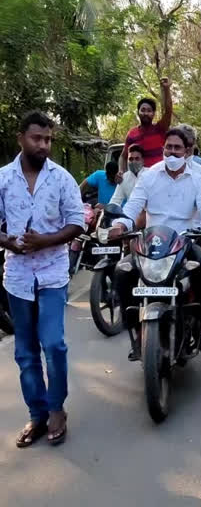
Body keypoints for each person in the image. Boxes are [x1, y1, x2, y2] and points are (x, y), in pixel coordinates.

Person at [0, 111, 85, 447]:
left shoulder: (62, 179)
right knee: (25, 352)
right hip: (18, 278)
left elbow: (77, 223)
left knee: (53, 344)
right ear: (21, 137)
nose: (44, 145)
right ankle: (36, 415)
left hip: (52, 275)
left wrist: (43, 241)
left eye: (48, 139)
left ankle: (57, 408)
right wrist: (8, 241)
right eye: (37, 138)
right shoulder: (4, 178)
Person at [110, 129, 201, 361]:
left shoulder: (198, 179)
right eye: (168, 147)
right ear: (163, 150)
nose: (172, 152)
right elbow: (132, 206)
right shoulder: (149, 176)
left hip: (183, 242)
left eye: (177, 148)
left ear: (186, 151)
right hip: (150, 244)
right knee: (122, 271)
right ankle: (136, 330)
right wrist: (120, 224)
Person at [120, 78, 173, 171]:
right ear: (138, 112)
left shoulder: (160, 129)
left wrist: (166, 89)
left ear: (153, 114)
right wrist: (122, 173)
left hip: (159, 176)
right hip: (140, 179)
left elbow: (168, 111)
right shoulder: (132, 134)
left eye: (149, 111)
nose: (145, 113)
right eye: (143, 110)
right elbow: (123, 157)